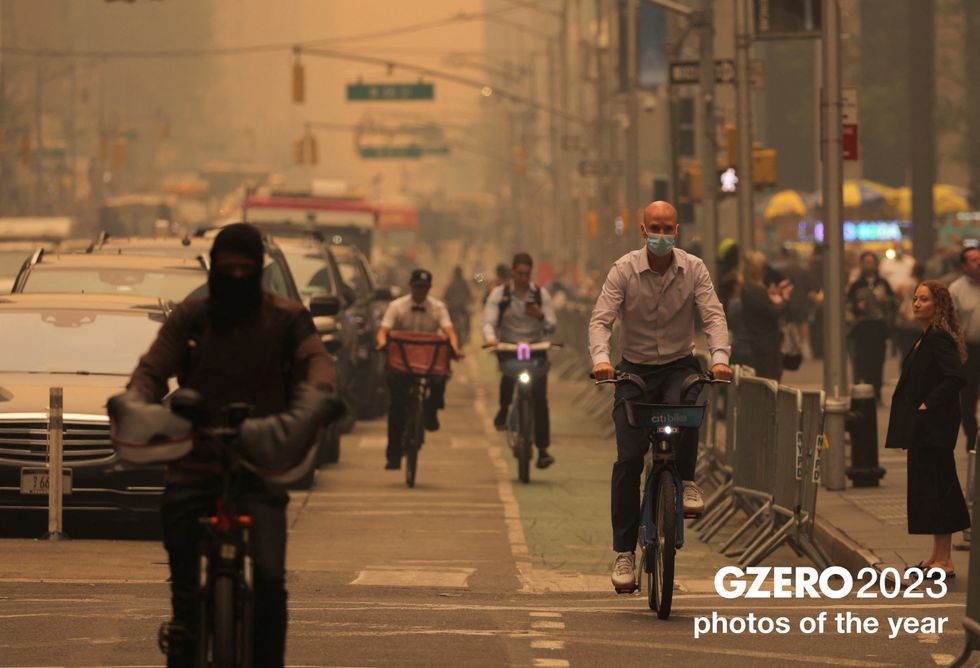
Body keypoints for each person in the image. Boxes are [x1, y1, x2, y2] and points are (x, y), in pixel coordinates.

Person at [122, 223, 337, 668]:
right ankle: (184, 625)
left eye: (246, 268)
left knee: (271, 578)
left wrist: (316, 399)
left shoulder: (287, 317)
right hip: (195, 460)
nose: (237, 275)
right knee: (180, 547)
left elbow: (317, 361)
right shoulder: (190, 317)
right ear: (214, 268)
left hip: (261, 463)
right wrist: (135, 403)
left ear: (259, 270)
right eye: (228, 267)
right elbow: (151, 369)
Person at [588, 200, 732, 592]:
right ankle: (624, 553)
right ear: (642, 229)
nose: (662, 234)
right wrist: (602, 361)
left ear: (678, 230)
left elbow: (714, 316)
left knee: (689, 399)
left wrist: (720, 359)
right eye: (656, 227)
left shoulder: (695, 269)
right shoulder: (623, 270)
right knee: (629, 459)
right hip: (633, 371)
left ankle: (685, 480)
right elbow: (602, 320)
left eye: (668, 228)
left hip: (677, 365)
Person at [884, 280, 969, 577]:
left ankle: (945, 560)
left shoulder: (938, 339)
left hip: (935, 427)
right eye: (915, 298)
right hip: (925, 428)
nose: (917, 304)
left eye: (924, 299)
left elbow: (956, 377)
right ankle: (937, 556)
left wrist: (927, 405)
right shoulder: (926, 336)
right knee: (930, 488)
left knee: (939, 487)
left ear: (939, 305)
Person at [376, 269, 460, 470]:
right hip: (402, 364)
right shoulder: (396, 306)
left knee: (441, 378)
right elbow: (383, 331)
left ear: (429, 288)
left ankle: (431, 411)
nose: (420, 291)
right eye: (417, 286)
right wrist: (381, 344)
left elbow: (449, 332)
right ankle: (394, 454)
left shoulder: (438, 308)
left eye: (424, 287)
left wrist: (455, 348)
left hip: (429, 363)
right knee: (396, 406)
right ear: (410, 286)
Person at [484, 252, 558, 469]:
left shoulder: (540, 295)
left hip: (535, 348)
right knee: (508, 375)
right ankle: (503, 408)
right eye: (520, 273)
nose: (524, 278)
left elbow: (552, 325)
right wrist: (490, 340)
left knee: (540, 397)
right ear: (512, 272)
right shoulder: (500, 294)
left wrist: (540, 316)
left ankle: (543, 449)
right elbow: (489, 321)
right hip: (509, 347)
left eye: (527, 274)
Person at [847, 251, 895, 401]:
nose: (869, 265)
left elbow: (893, 304)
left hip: (879, 328)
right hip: (861, 328)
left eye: (871, 262)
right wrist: (857, 306)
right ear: (861, 264)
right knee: (861, 360)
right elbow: (848, 305)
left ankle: (877, 391)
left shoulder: (883, 283)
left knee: (877, 360)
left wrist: (885, 300)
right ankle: (863, 390)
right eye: (866, 262)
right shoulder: (856, 284)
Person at [741, 250, 794, 382]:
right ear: (759, 270)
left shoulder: (751, 288)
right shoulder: (755, 290)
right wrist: (785, 298)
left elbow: (765, 307)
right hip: (765, 345)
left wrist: (774, 295)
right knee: (768, 382)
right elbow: (773, 311)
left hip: (762, 343)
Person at [949, 246, 980, 451]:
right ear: (964, 265)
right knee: (967, 399)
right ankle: (972, 438)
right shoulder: (956, 289)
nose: (978, 262)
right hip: (969, 350)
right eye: (973, 260)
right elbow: (951, 323)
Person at [443, 266, 473, 347]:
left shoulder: (453, 283)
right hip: (457, 308)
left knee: (466, 319)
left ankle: (465, 335)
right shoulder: (461, 283)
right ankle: (464, 335)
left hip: (457, 308)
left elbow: (445, 296)